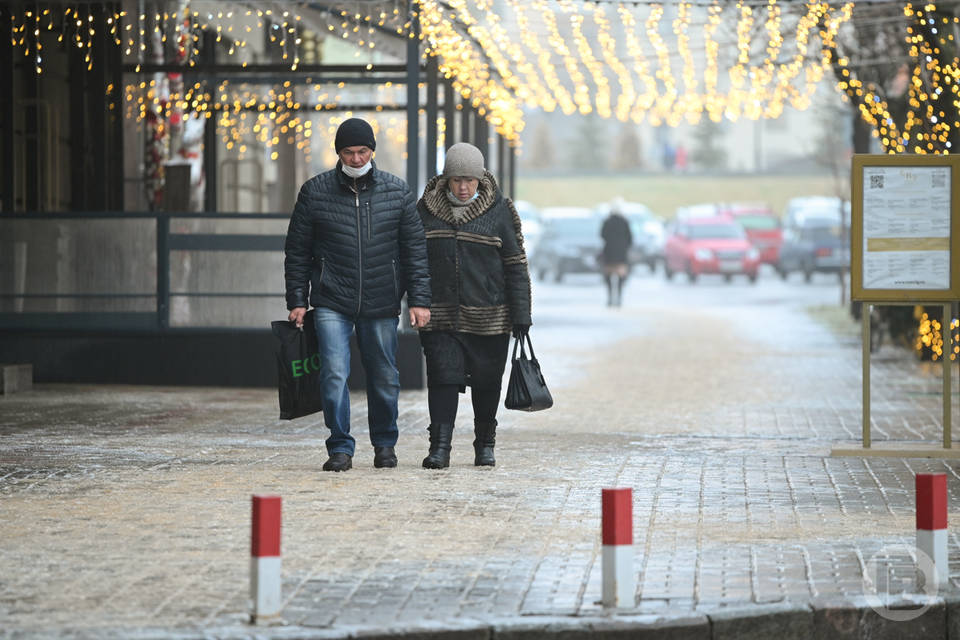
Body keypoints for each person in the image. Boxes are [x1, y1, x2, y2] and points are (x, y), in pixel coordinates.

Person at [284, 117, 431, 472]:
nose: (355, 158)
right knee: (334, 372)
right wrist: (297, 301)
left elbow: (414, 250)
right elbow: (297, 250)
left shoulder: (397, 192)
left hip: (381, 299)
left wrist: (419, 300)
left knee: (384, 375)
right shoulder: (315, 191)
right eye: (348, 152)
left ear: (372, 151)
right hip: (331, 298)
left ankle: (384, 443)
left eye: (362, 151)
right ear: (339, 153)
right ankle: (340, 447)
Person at [416, 142, 532, 469]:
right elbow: (413, 262)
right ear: (446, 180)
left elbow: (515, 264)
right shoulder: (424, 210)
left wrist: (521, 314)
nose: (464, 187)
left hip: (490, 317)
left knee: (486, 381)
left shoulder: (500, 211)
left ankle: (485, 445)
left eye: (470, 180)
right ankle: (440, 448)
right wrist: (413, 302)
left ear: (480, 180)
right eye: (457, 180)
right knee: (442, 378)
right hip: (439, 316)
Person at [600, 205, 633, 307]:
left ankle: (610, 298)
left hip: (609, 253)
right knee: (620, 277)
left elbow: (602, 235)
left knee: (608, 277)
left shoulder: (607, 221)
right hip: (621, 254)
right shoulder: (624, 222)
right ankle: (619, 298)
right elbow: (630, 238)